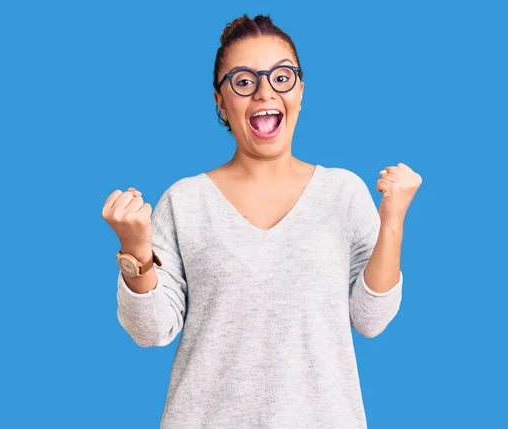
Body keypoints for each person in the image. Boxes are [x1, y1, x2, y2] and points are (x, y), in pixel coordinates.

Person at [102, 14, 422, 429]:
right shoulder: (185, 201)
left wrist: (393, 220)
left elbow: (370, 319)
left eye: (282, 77)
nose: (265, 92)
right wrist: (135, 251)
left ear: (301, 91)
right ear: (221, 101)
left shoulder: (342, 193)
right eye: (244, 81)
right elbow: (152, 331)